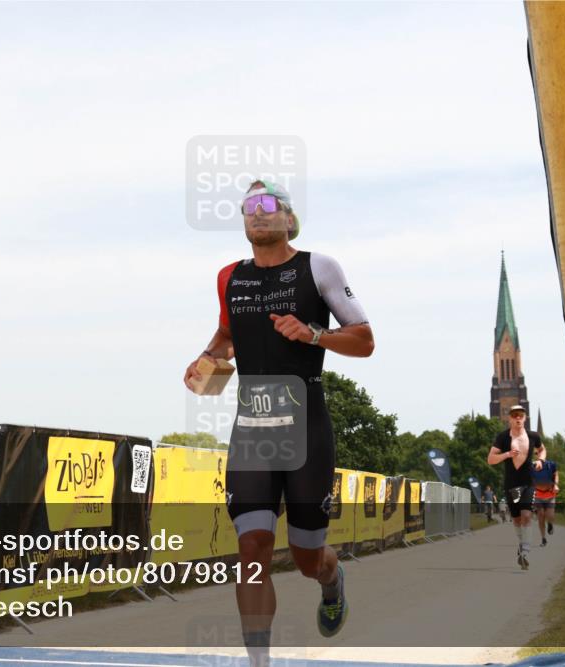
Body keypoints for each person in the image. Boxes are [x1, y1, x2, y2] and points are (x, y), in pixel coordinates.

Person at [184, 180, 374, 667]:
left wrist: (313, 335)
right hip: (252, 428)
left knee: (307, 557)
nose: (257, 213)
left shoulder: (318, 267)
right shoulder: (230, 277)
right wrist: (206, 361)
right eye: (249, 206)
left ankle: (332, 580)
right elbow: (228, 334)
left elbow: (364, 339)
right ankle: (259, 663)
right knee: (252, 548)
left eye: (268, 205)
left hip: (306, 425)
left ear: (289, 219)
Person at [487, 405, 545, 569]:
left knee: (526, 515)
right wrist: (507, 454)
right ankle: (522, 544)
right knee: (517, 519)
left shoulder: (533, 436)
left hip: (528, 483)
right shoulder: (503, 437)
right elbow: (490, 459)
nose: (518, 418)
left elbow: (542, 450)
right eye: (514, 415)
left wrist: (540, 460)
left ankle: (525, 552)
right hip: (512, 485)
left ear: (525, 417)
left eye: (520, 415)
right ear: (509, 418)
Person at [531, 448, 559, 546]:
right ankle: (543, 539)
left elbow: (556, 475)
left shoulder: (551, 465)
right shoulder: (532, 466)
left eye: (539, 452)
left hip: (550, 494)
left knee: (550, 515)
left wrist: (555, 484)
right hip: (538, 495)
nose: (537, 455)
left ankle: (550, 524)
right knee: (541, 516)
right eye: (535, 453)